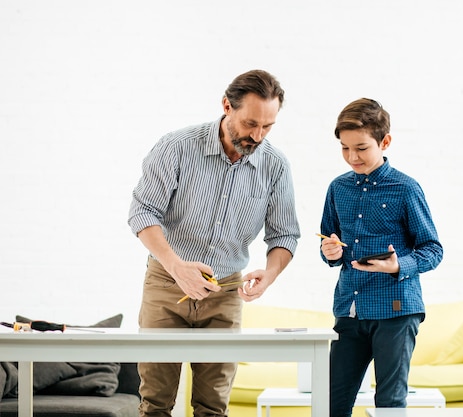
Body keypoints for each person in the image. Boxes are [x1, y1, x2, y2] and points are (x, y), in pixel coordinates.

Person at [128, 69, 300, 417]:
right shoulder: (176, 147)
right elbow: (142, 212)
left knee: (213, 406)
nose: (258, 135)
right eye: (251, 123)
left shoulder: (276, 165)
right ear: (226, 106)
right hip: (166, 283)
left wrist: (270, 273)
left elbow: (285, 234)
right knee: (155, 403)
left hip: (226, 293)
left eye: (268, 127)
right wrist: (176, 266)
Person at [319, 98, 443, 417]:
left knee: (389, 404)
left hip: (397, 310)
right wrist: (330, 252)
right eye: (345, 149)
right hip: (350, 308)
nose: (352, 157)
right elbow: (330, 246)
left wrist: (398, 264)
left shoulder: (405, 188)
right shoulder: (337, 189)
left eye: (361, 148)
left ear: (384, 141)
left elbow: (433, 249)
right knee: (331, 403)